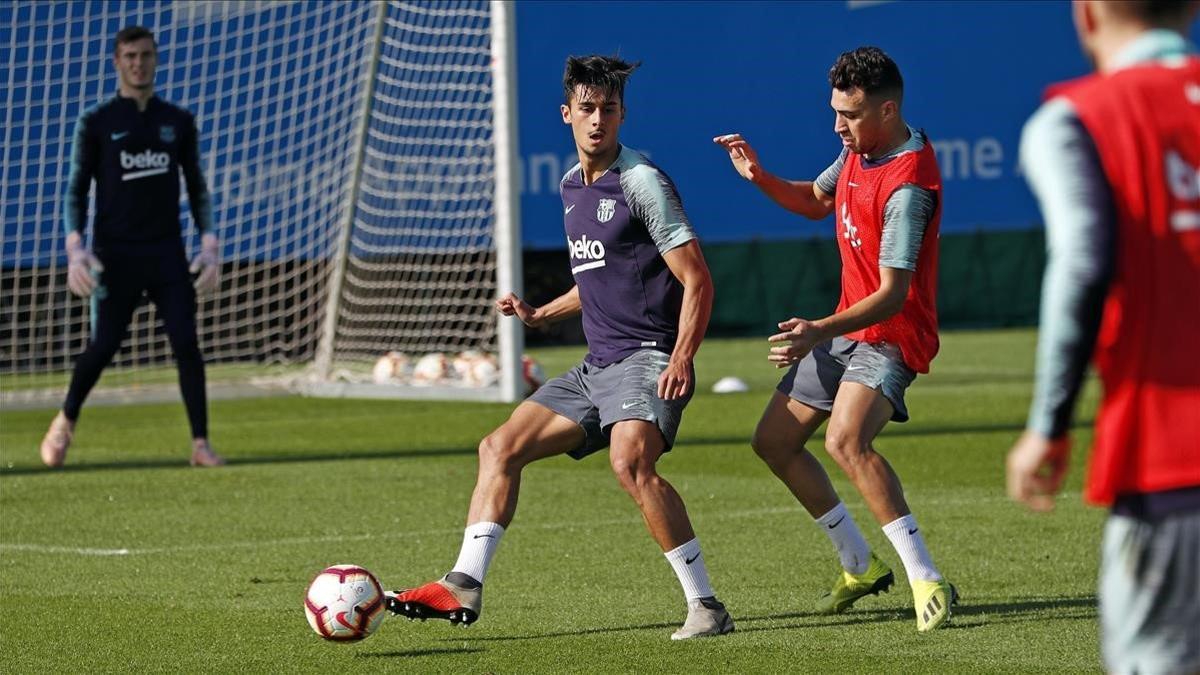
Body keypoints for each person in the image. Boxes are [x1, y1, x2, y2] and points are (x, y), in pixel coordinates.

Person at [385, 55, 731, 640]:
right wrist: (544, 312)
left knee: (631, 464)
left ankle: (706, 606)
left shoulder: (640, 181)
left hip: (647, 356)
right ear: (566, 114)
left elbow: (697, 279)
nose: (599, 120)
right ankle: (463, 583)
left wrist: (681, 357)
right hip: (597, 365)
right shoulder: (571, 185)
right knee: (498, 447)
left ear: (623, 115)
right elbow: (600, 275)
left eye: (610, 109)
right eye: (588, 109)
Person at [714, 46, 957, 632]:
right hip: (848, 323)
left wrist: (818, 330)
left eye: (848, 115)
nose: (837, 125)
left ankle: (928, 578)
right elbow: (815, 202)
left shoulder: (908, 185)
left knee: (847, 441)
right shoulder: (860, 149)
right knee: (773, 441)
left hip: (892, 333)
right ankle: (858, 563)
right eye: (835, 112)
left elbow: (895, 294)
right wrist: (761, 177)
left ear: (888, 111)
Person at [1007, 1, 1200, 671]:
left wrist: (1047, 425)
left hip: (1172, 465)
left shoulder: (1078, 120)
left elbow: (1084, 261)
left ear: (1085, 13)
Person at [39, 26, 223, 468]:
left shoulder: (177, 121)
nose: (138, 63)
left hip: (166, 255)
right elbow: (76, 189)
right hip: (115, 256)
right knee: (103, 346)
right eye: (129, 57)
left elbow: (196, 186)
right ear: (117, 62)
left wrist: (210, 243)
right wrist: (75, 247)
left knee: (186, 342)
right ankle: (64, 421)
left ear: (156, 59)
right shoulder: (98, 122)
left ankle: (200, 444)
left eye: (145, 55)